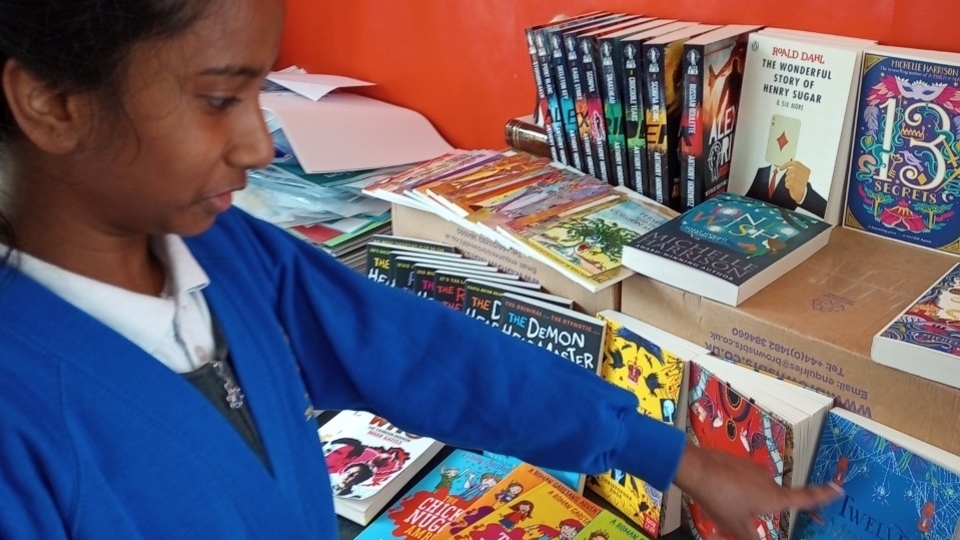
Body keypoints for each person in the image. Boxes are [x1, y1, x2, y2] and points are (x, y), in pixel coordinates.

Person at [0, 1, 840, 539]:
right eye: (220, 99)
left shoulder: (226, 252)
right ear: (53, 104)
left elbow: (426, 354)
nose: (260, 145)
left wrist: (676, 457)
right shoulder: (23, 425)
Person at [747, 159, 828, 218]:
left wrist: (802, 195)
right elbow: (747, 199)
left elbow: (826, 212)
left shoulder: (796, 177)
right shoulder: (761, 171)